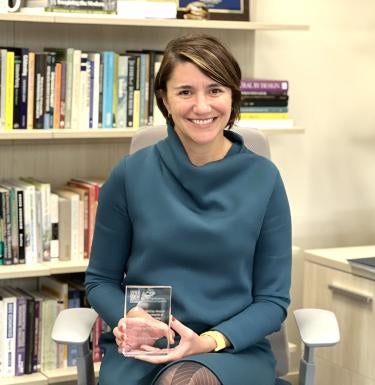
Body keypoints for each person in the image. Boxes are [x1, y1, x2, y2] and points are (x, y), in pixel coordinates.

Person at [85, 33, 292, 385]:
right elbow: (100, 280)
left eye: (215, 90)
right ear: (164, 99)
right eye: (185, 92)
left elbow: (272, 301)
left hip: (229, 348)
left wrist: (208, 341)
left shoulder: (264, 179)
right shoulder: (130, 174)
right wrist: (130, 317)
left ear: (232, 96)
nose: (202, 106)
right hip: (148, 346)